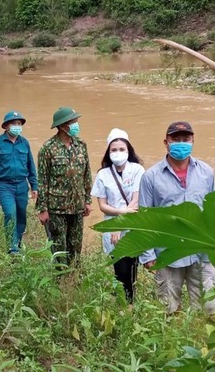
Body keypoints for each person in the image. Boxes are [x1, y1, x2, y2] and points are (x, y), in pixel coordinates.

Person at [139, 121, 215, 315]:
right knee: (167, 308)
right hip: (167, 251)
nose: (181, 143)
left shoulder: (206, 173)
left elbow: (214, 211)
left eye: (186, 139)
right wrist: (148, 255)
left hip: (201, 250)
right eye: (176, 139)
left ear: (193, 141)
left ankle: (204, 341)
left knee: (209, 308)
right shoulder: (151, 177)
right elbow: (144, 219)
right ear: (165, 142)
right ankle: (171, 342)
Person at [91, 128, 145, 302]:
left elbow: (136, 202)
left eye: (122, 149)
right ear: (108, 152)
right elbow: (103, 206)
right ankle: (123, 304)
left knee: (132, 268)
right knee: (120, 270)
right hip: (112, 230)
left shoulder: (137, 170)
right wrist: (119, 220)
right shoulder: (102, 174)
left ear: (129, 151)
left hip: (133, 227)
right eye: (114, 149)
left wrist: (120, 224)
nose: (118, 153)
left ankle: (131, 304)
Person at [37, 107, 92, 266]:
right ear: (62, 126)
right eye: (72, 122)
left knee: (76, 245)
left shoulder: (81, 145)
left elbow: (86, 174)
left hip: (77, 206)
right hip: (56, 208)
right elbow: (43, 180)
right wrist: (43, 208)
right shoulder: (48, 148)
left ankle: (74, 277)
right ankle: (60, 278)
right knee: (59, 246)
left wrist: (87, 200)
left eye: (76, 121)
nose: (76, 125)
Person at [0, 111, 38, 253]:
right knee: (10, 213)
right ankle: (12, 248)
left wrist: (34, 185)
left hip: (22, 185)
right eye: (14, 123)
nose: (17, 126)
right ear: (6, 126)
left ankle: (18, 243)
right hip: (4, 185)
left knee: (22, 215)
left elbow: (30, 165)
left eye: (19, 124)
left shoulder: (24, 143)